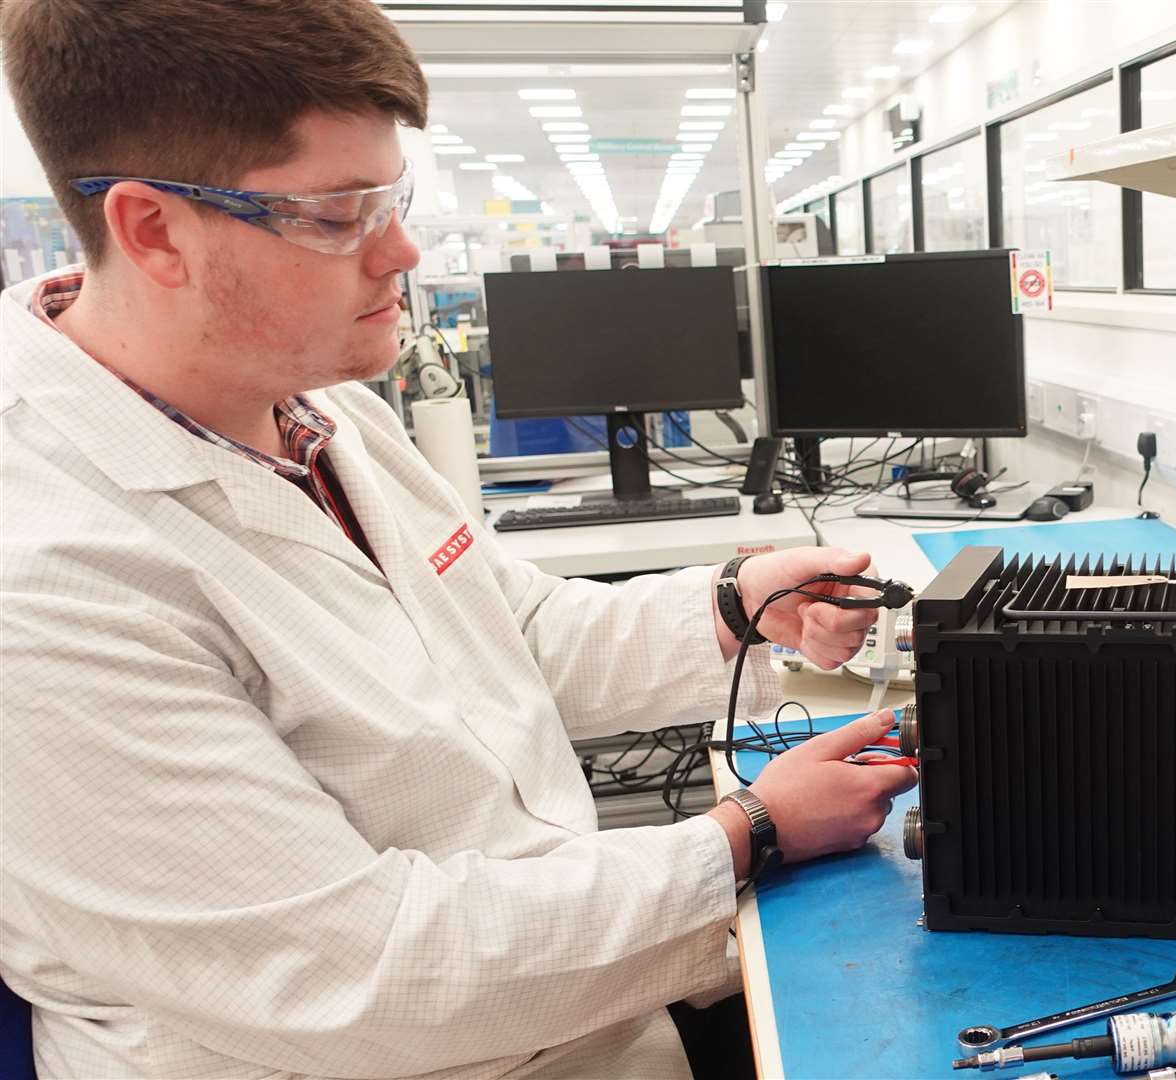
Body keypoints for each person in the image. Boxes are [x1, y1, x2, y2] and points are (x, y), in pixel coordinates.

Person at [0, 2, 916, 1077]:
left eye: (394, 198)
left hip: (574, 1014)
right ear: (154, 230)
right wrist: (749, 834)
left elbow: (504, 631)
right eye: (337, 215)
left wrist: (732, 604)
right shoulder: (50, 576)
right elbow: (361, 975)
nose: (402, 250)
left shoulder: (317, 408)